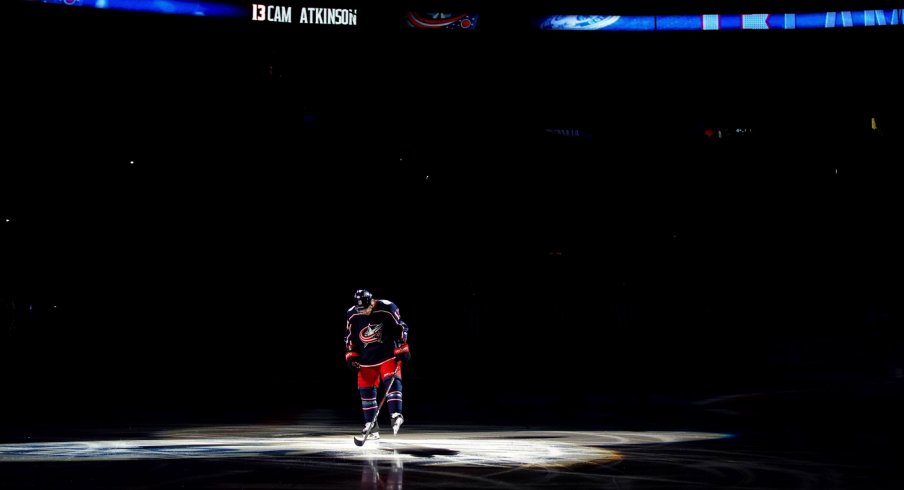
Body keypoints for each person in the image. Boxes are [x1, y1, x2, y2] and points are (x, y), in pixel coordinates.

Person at [345, 289, 411, 440]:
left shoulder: (388, 307)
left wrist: (402, 348)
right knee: (365, 389)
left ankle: (396, 414)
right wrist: (351, 355)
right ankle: (371, 425)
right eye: (359, 309)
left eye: (365, 308)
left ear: (372, 302)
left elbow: (401, 328)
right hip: (366, 359)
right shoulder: (352, 314)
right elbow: (349, 336)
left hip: (387, 355)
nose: (363, 312)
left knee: (391, 382)